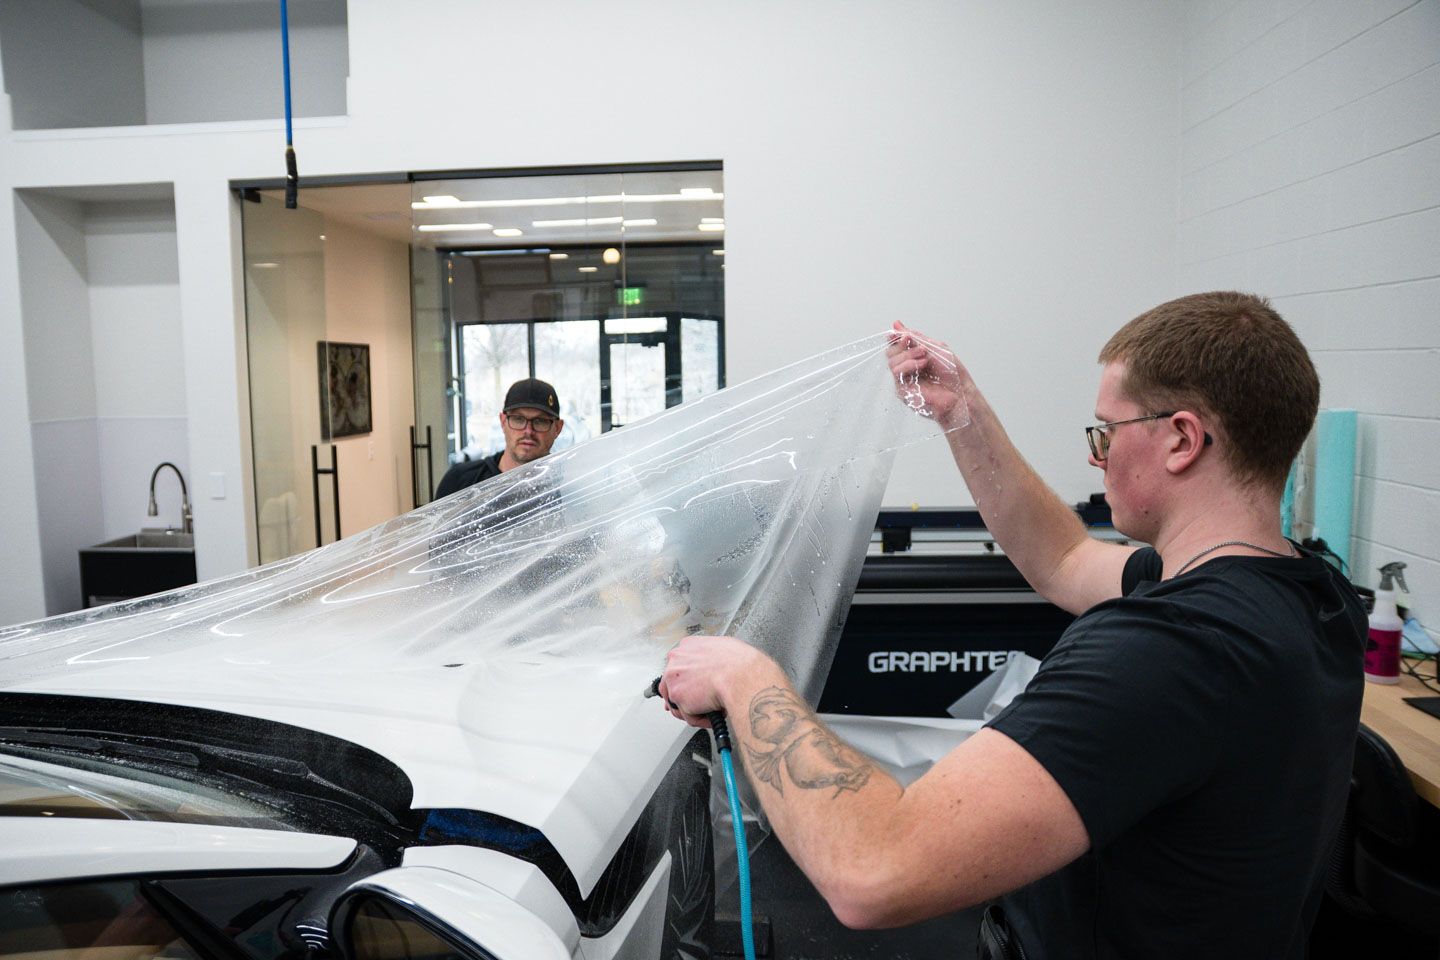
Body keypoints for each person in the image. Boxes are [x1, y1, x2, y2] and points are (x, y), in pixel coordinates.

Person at [657, 292, 1366, 959]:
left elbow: (876, 868)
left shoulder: (1171, 651)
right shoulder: (1311, 591)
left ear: (1182, 439)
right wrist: (962, 412)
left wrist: (748, 676)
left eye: (1106, 432)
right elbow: (1064, 558)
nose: (1098, 455)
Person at [435, 378, 565, 498]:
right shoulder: (461, 480)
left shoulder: (567, 488)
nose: (528, 431)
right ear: (503, 422)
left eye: (540, 421)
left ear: (558, 428)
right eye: (518, 419)